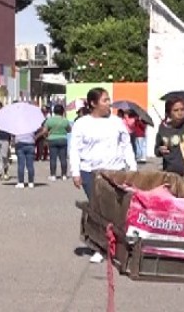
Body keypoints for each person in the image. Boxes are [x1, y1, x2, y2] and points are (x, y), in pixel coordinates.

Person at [69, 87, 136, 264]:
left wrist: (132, 167)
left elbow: (125, 145)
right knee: (97, 209)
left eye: (109, 100)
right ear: (93, 103)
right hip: (91, 172)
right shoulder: (82, 123)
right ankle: (99, 247)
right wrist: (75, 172)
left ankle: (116, 246)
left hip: (116, 171)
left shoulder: (116, 122)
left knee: (116, 209)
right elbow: (74, 149)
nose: (109, 104)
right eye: (105, 100)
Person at [155, 97, 184, 177]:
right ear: (169, 112)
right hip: (170, 174)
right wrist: (160, 150)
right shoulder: (163, 128)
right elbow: (156, 150)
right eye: (176, 110)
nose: (180, 113)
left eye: (182, 109)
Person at [44, 104, 71, 181]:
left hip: (52, 140)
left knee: (53, 158)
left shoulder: (49, 120)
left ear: (54, 111)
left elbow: (45, 131)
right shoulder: (65, 120)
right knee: (63, 158)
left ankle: (53, 175)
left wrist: (46, 137)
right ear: (62, 111)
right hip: (63, 139)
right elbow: (69, 129)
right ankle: (64, 175)